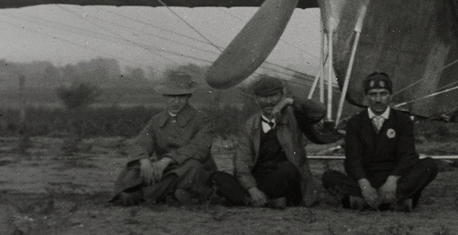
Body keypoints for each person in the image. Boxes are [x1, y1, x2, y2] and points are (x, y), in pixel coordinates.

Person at [322, 71, 439, 211]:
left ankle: (365, 202)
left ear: (390, 95)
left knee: (429, 165)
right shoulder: (355, 122)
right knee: (329, 176)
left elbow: (408, 155)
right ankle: (395, 202)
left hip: (395, 180)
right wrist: (364, 185)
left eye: (383, 93)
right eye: (373, 94)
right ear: (366, 97)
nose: (378, 99)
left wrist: (392, 180)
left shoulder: (402, 121)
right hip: (366, 180)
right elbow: (353, 159)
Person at [212, 76, 334, 208]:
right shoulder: (250, 125)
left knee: (287, 169)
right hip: (260, 181)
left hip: (287, 179)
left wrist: (289, 101)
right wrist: (252, 189)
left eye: (274, 96)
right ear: (256, 99)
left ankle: (250, 201)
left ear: (282, 95)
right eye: (263, 97)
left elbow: (318, 111)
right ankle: (265, 201)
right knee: (218, 177)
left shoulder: (293, 118)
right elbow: (242, 163)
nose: (269, 101)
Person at [109, 70, 214, 206]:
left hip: (194, 171)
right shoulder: (156, 120)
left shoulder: (202, 120)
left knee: (191, 167)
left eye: (181, 97)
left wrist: (168, 159)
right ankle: (165, 193)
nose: (176, 101)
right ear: (165, 96)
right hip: (164, 170)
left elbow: (199, 148)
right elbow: (140, 143)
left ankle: (143, 196)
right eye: (171, 96)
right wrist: (144, 160)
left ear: (189, 96)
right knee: (133, 168)